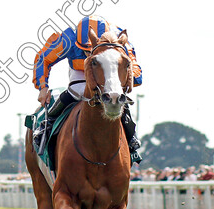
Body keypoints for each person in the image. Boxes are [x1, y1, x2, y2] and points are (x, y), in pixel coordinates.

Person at [32, 15, 143, 162]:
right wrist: (43, 87)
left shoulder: (118, 39)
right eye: (86, 52)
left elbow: (135, 71)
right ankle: (47, 126)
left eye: (92, 52)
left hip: (107, 71)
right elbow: (43, 59)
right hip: (79, 72)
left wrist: (125, 78)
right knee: (75, 92)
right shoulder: (67, 39)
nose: (90, 55)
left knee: (117, 97)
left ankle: (131, 139)